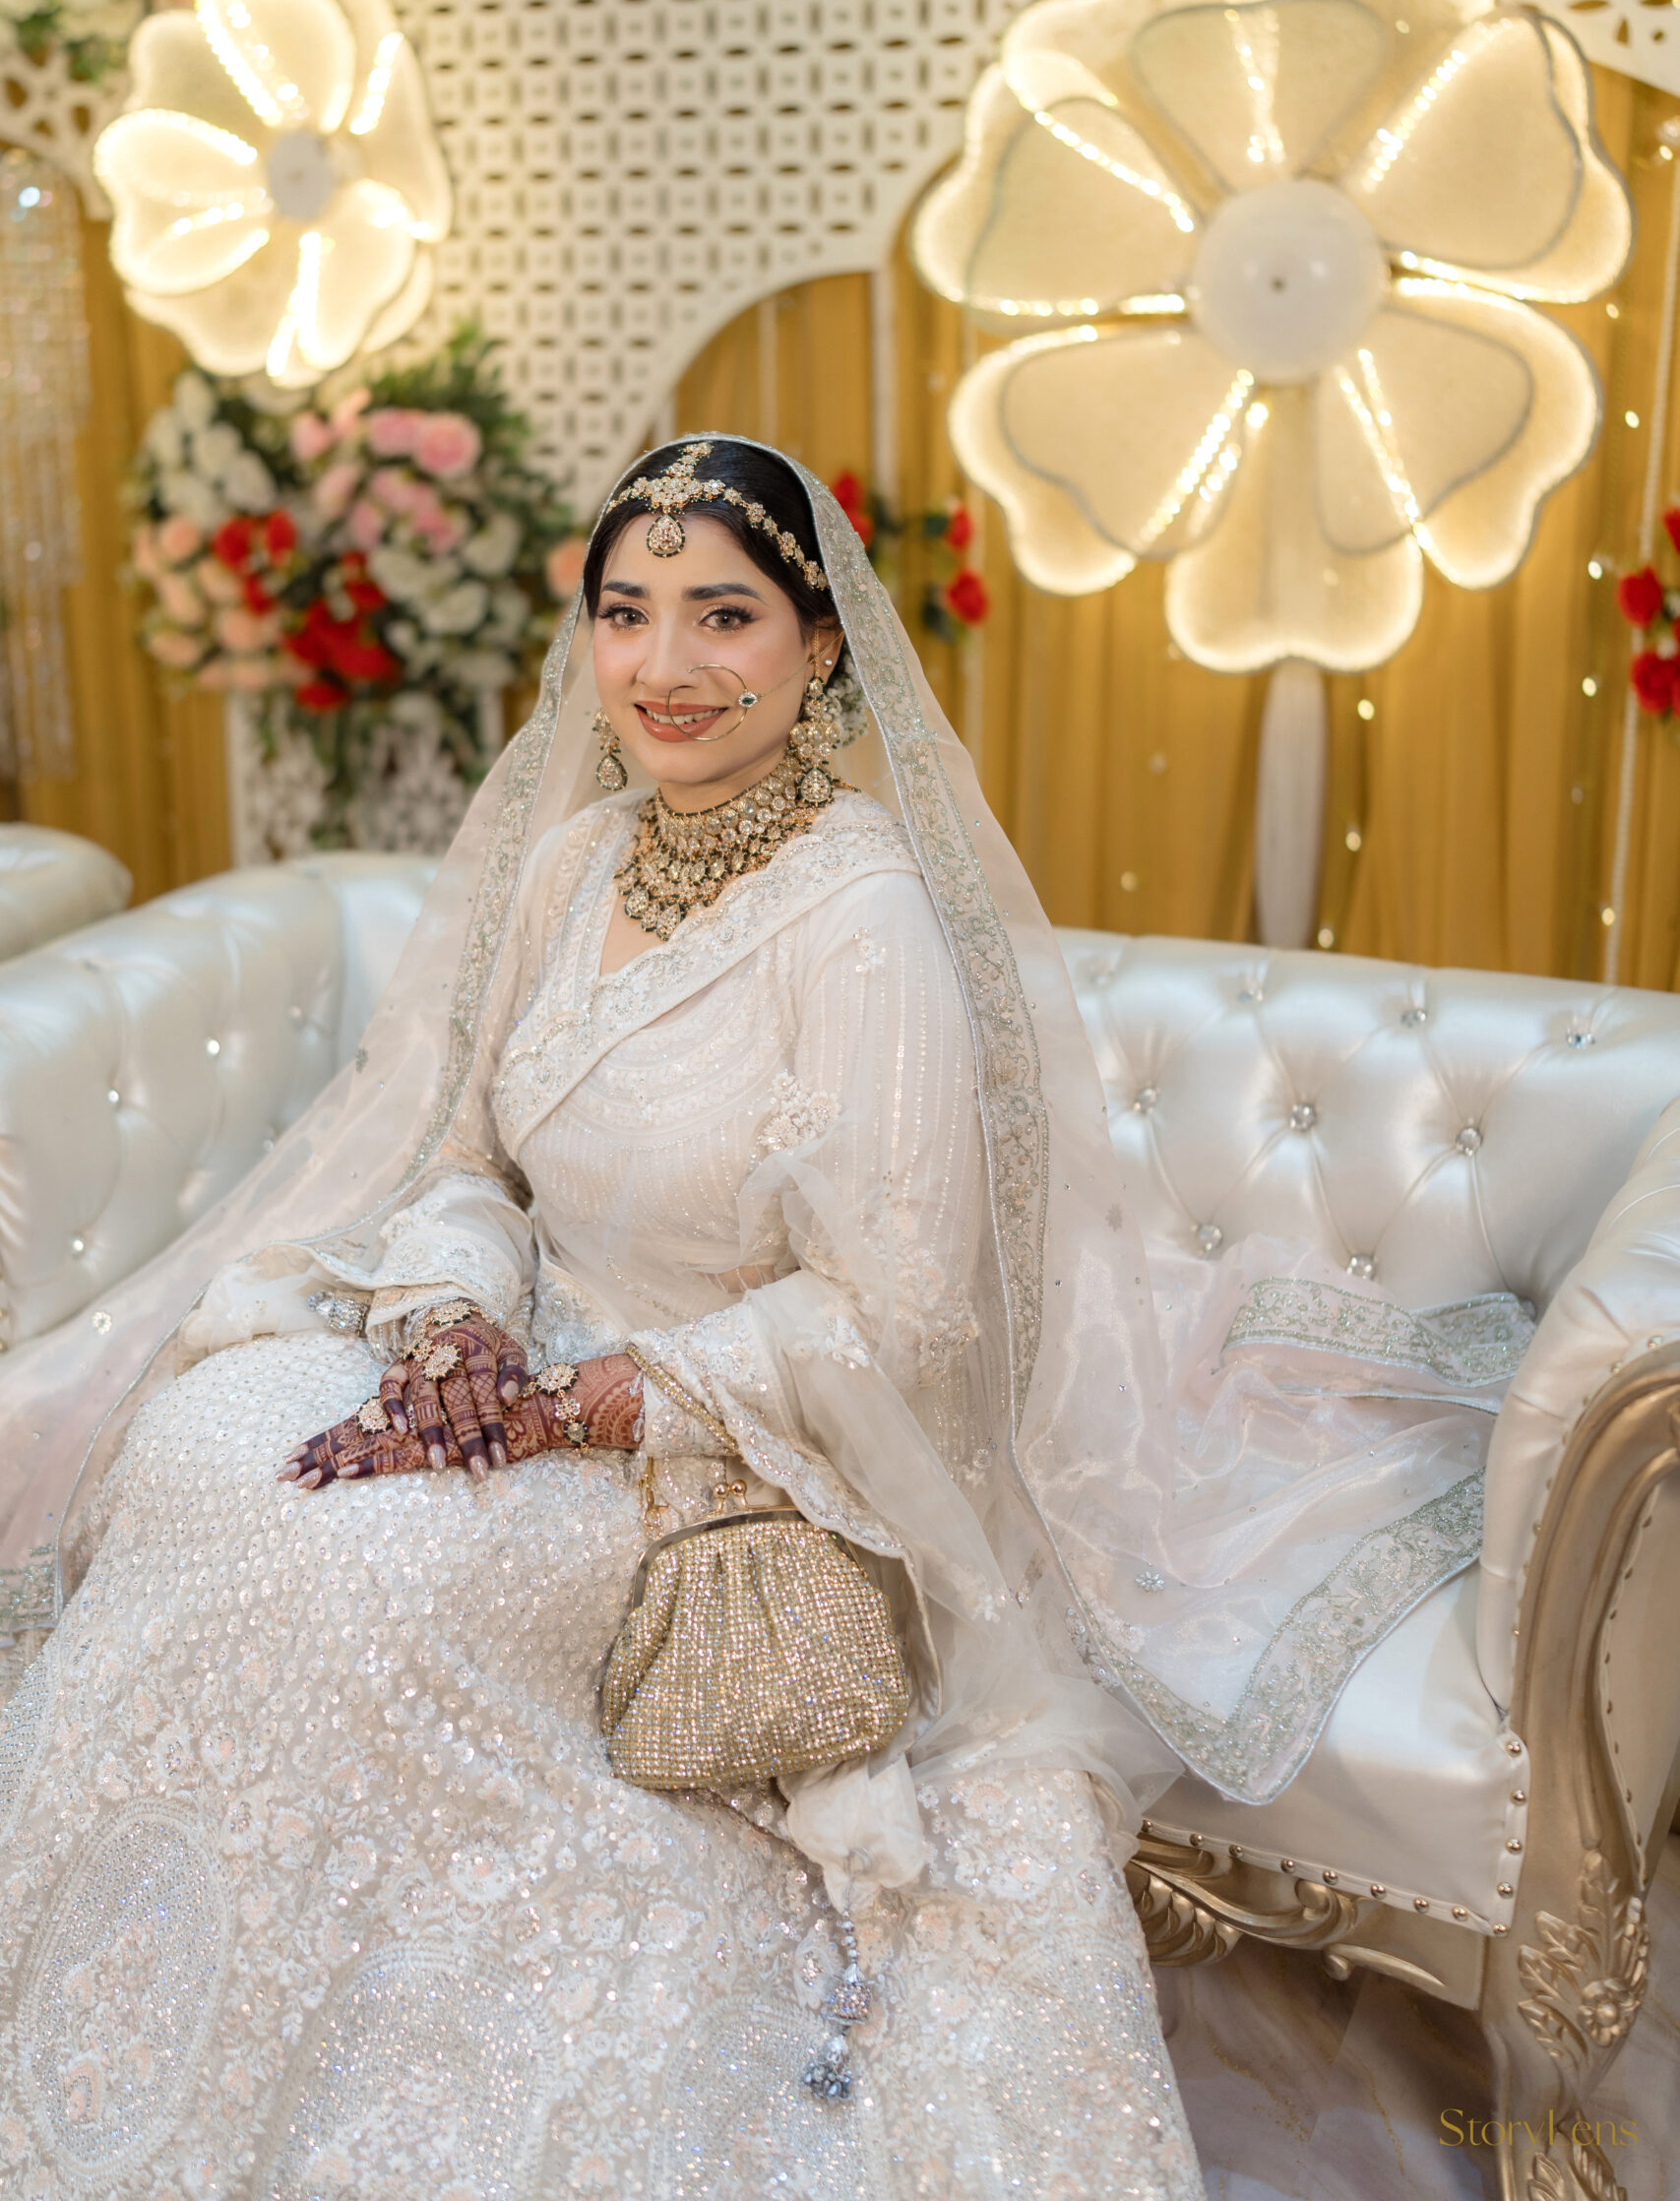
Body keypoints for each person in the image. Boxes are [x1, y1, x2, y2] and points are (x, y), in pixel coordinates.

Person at [0, 439, 1213, 2199]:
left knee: (365, 1570)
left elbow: (903, 1317)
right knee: (209, 1454)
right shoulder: (575, 863)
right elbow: (464, 1157)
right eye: (626, 614)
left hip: (727, 1446)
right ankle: (132, 2029)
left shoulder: (863, 920)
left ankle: (369, 2074)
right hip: (512, 1356)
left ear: (819, 645)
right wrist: (450, 1335)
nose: (664, 665)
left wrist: (571, 1409)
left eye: (724, 615)